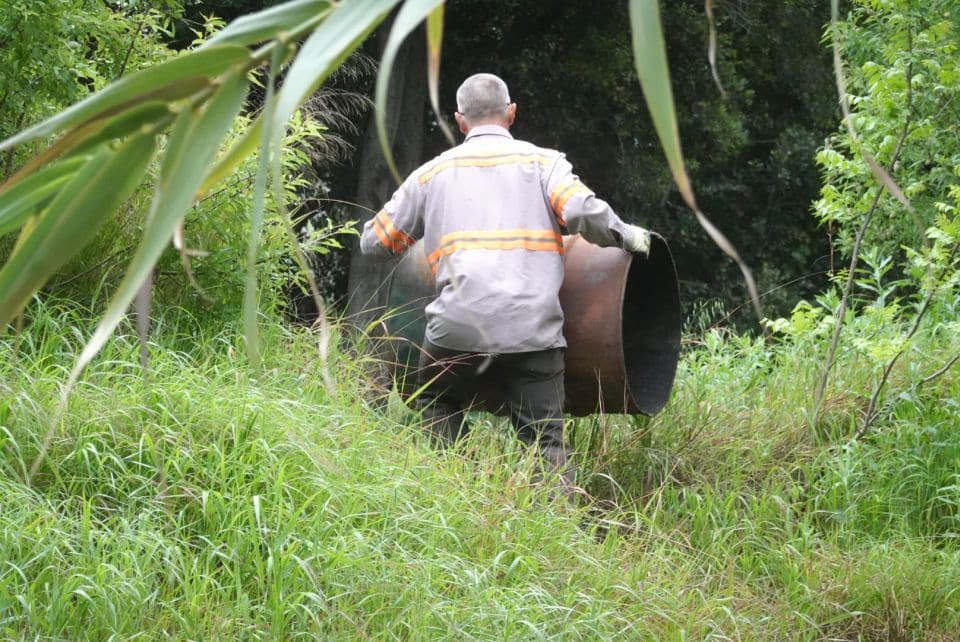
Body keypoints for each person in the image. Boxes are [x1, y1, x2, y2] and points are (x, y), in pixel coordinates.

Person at [360, 73, 650, 496]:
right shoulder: (544, 164)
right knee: (545, 441)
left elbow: (375, 242)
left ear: (460, 121)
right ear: (512, 113)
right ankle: (554, 526)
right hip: (532, 331)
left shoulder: (430, 175)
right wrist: (627, 236)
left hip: (455, 331)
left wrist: (419, 229)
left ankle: (456, 494)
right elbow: (583, 212)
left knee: (432, 399)